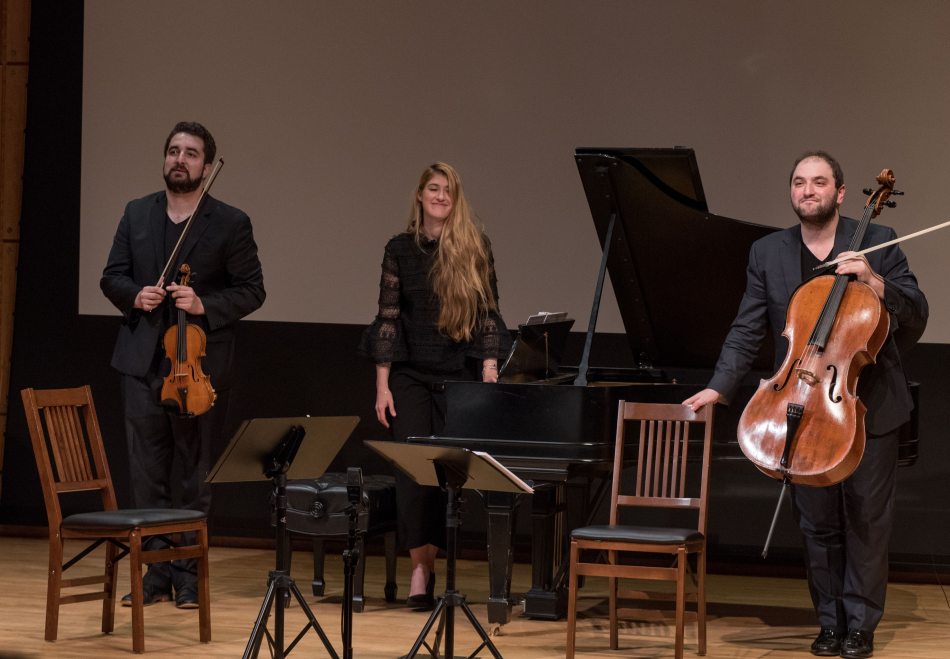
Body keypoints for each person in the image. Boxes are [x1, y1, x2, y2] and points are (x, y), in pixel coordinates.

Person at [684, 151, 927, 658]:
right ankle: (830, 623)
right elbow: (747, 328)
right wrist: (719, 387)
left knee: (866, 521)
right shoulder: (767, 252)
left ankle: (860, 626)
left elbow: (916, 314)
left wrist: (874, 282)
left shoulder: (879, 241)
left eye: (819, 182)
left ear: (840, 192)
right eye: (799, 182)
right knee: (817, 523)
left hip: (865, 405)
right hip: (800, 404)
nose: (808, 190)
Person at [101, 122, 265, 608]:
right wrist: (137, 295)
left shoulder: (230, 221)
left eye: (191, 153)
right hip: (141, 366)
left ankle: (189, 577)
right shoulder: (137, 212)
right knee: (147, 476)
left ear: (207, 167)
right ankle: (154, 576)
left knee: (194, 477)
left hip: (197, 370)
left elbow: (252, 290)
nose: (180, 159)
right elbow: (112, 277)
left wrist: (203, 304)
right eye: (173, 150)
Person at [359, 162, 512, 609]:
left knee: (446, 477)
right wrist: (382, 386)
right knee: (413, 474)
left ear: (455, 199)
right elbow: (388, 319)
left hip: (456, 373)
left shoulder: (474, 247)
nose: (441, 195)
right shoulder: (399, 249)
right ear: (420, 195)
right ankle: (419, 572)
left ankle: (435, 564)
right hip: (409, 375)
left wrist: (489, 370)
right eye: (433, 188)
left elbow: (488, 314)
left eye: (448, 190)